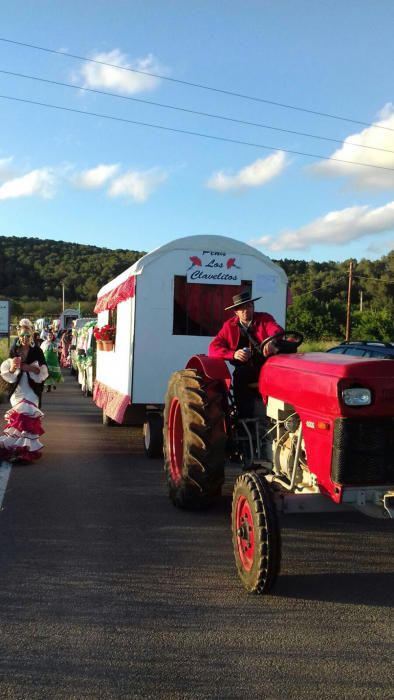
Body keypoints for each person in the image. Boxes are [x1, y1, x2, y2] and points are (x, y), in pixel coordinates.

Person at [208, 289, 284, 417]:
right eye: (241, 308)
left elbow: (276, 330)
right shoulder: (229, 326)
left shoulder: (264, 319)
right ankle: (244, 417)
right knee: (240, 374)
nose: (246, 310)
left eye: (248, 306)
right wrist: (233, 354)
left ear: (253, 307)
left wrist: (272, 340)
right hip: (245, 371)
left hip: (267, 366)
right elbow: (213, 348)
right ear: (236, 312)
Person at [0, 318, 48, 463]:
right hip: (18, 389)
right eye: (22, 335)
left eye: (27, 336)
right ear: (19, 336)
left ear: (32, 336)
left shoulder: (37, 351)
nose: (24, 338)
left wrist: (29, 368)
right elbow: (8, 372)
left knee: (27, 417)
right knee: (20, 418)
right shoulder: (14, 350)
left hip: (32, 390)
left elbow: (43, 371)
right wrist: (14, 368)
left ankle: (24, 450)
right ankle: (16, 447)